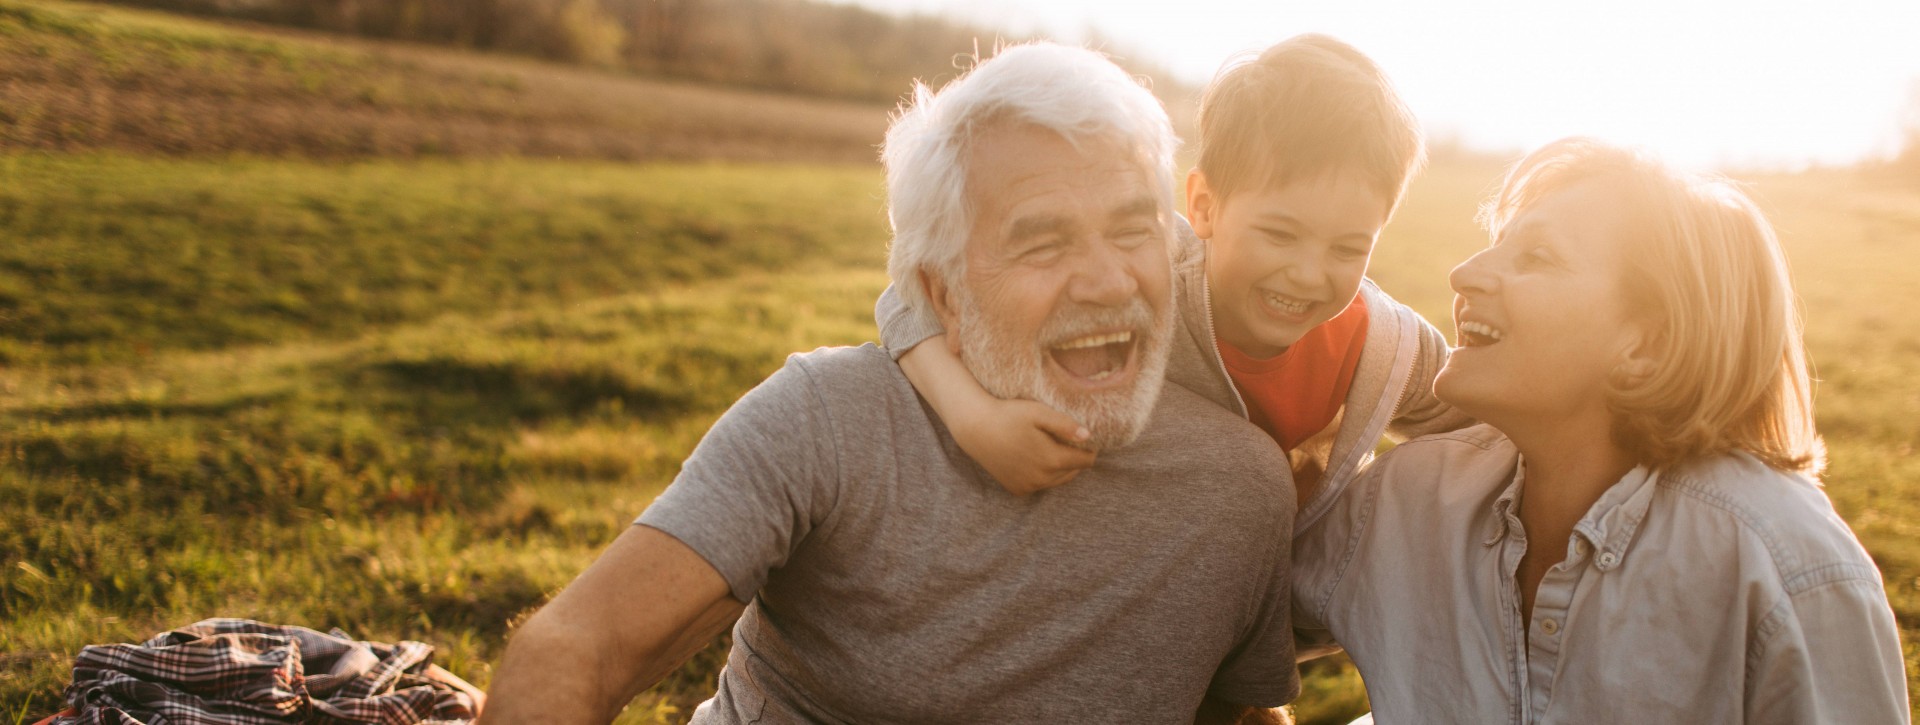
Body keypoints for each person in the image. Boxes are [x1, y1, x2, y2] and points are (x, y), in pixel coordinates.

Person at [479, 43, 1302, 724]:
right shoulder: (829, 420)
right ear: (942, 292)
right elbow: (577, 646)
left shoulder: (1241, 491)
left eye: (1132, 228)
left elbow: (1239, 712)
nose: (1107, 280)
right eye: (1043, 243)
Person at [1290, 138, 1911, 723]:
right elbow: (1222, 611)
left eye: (1536, 257)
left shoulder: (1782, 563)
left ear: (1648, 343)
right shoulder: (1406, 500)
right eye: (1496, 245)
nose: (1465, 273)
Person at [875, 34, 1471, 534]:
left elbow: (1484, 420)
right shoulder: (1147, 279)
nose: (1310, 273)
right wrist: (972, 416)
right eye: (1281, 235)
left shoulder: (1385, 345)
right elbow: (909, 298)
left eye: (1349, 248)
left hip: (1275, 605)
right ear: (1204, 206)